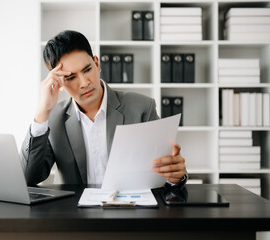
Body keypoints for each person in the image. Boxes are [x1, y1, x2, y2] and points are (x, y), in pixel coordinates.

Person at [21, 30, 187, 189]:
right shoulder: (54, 118)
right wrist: (43, 112)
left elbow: (167, 168)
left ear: (97, 64)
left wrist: (175, 177)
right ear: (60, 84)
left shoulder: (142, 107)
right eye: (71, 77)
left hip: (130, 211)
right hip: (76, 214)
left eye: (87, 70)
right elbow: (29, 177)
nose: (84, 82)